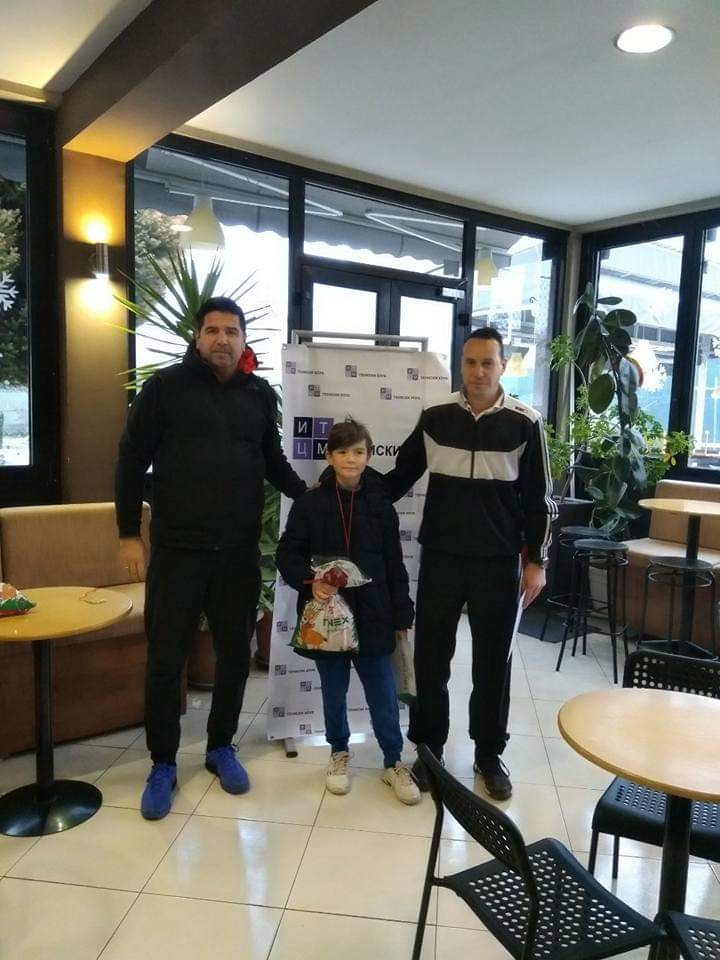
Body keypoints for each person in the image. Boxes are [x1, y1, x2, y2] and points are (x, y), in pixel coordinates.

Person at [115, 296, 306, 820]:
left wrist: (312, 494)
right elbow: (130, 460)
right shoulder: (165, 389)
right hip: (177, 552)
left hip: (237, 553)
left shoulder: (258, 394)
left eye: (232, 331)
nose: (223, 339)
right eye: (213, 330)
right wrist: (128, 533)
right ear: (197, 338)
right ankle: (162, 763)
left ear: (243, 340)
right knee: (165, 660)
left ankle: (221, 746)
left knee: (235, 656)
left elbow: (272, 460)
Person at [384, 327, 556, 800]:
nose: (478, 372)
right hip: (441, 557)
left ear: (502, 366)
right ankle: (429, 752)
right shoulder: (435, 417)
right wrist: (348, 492)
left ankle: (488, 755)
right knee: (431, 660)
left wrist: (537, 560)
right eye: (470, 362)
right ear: (461, 365)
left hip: (498, 562)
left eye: (487, 363)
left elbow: (539, 500)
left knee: (492, 664)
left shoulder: (525, 423)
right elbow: (400, 476)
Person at [276, 418, 421, 805]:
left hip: (375, 613)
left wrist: (402, 613)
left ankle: (393, 761)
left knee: (383, 693)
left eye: (358, 452)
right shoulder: (309, 504)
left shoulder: (382, 505)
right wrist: (310, 581)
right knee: (333, 691)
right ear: (329, 456)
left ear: (369, 455)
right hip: (327, 617)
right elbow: (287, 553)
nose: (351, 459)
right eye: (342, 451)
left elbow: (395, 563)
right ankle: (338, 752)